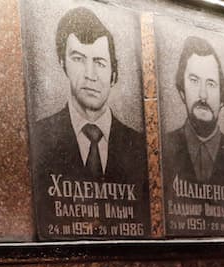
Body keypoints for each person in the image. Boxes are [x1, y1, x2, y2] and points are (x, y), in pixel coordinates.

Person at [33, 6, 146, 186]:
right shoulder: (38, 137)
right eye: (78, 59)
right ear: (63, 64)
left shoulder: (141, 147)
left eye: (99, 63)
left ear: (113, 74)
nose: (90, 75)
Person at [162, 35, 224, 200]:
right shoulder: (162, 149)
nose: (203, 95)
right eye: (194, 81)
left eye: (211, 84)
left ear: (222, 98)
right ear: (182, 91)